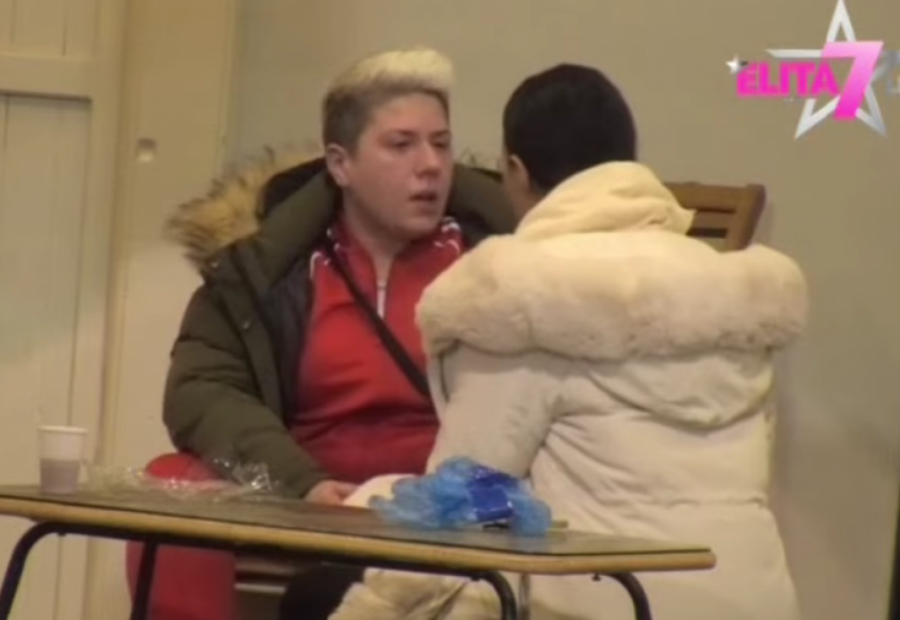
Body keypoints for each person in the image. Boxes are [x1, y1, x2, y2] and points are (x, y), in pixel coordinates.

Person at [326, 63, 808, 620]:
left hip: (607, 602)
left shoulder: (522, 293)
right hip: (757, 600)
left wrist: (367, 611)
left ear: (515, 171)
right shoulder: (731, 293)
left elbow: (462, 506)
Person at [124, 47, 517, 620]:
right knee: (170, 482)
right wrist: (303, 483)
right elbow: (202, 388)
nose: (430, 165)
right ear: (340, 164)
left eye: (440, 143)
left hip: (453, 511)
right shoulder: (267, 269)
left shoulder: (504, 262)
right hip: (307, 504)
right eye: (401, 145)